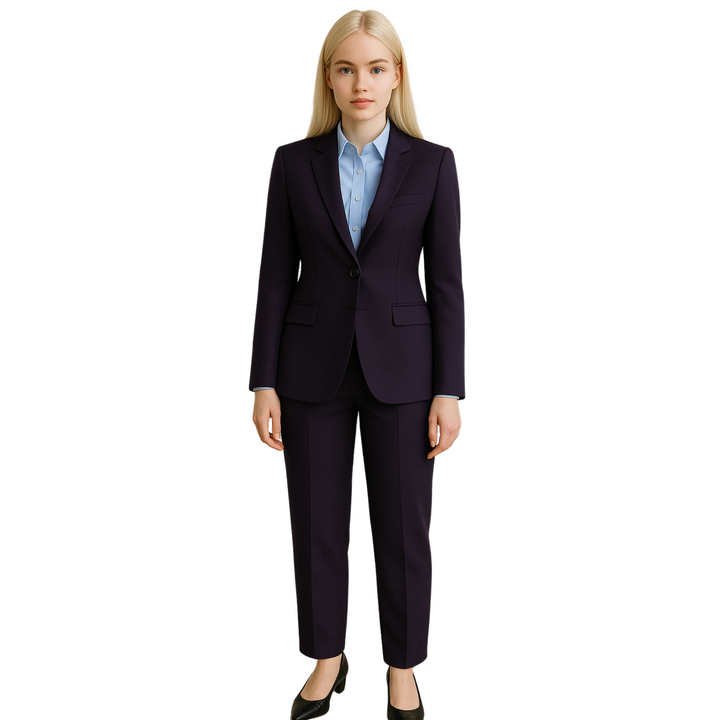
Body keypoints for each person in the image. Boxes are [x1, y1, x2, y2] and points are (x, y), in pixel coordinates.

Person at [249, 9, 465, 719]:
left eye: (375, 68)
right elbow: (275, 277)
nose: (361, 82)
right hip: (309, 368)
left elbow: (447, 283)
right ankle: (326, 657)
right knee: (316, 523)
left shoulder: (433, 164)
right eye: (346, 69)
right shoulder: (293, 163)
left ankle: (402, 667)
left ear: (396, 76)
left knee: (402, 530)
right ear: (329, 79)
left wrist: (449, 389)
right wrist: (263, 379)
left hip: (405, 372)